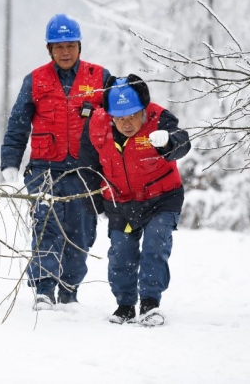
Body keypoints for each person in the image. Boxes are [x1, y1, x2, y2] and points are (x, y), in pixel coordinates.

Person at [0, 14, 111, 310]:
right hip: (43, 170)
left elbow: (124, 117)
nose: (65, 52)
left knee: (81, 231)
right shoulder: (35, 80)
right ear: (49, 49)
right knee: (45, 227)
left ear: (79, 47)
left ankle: (69, 289)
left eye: (71, 46)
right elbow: (18, 124)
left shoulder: (99, 78)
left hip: (85, 172)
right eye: (58, 46)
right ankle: (44, 289)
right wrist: (10, 161)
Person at [78, 74, 190, 326]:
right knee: (121, 253)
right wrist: (94, 204)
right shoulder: (96, 125)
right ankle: (125, 305)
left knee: (155, 244)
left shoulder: (159, 119)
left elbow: (183, 142)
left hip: (162, 198)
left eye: (132, 116)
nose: (126, 123)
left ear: (143, 110)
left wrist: (169, 142)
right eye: (120, 118)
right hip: (120, 202)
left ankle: (150, 303)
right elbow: (87, 167)